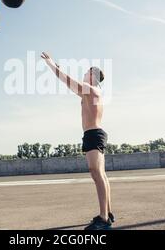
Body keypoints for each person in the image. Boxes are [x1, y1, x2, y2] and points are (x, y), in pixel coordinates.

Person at [41, 52, 114, 230]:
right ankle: (108, 213)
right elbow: (70, 83)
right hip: (93, 134)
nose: (84, 73)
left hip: (94, 134)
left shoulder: (92, 89)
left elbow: (67, 81)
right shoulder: (88, 92)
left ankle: (104, 220)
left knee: (96, 173)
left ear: (92, 76)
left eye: (87, 72)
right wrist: (57, 67)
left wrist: (51, 65)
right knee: (100, 175)